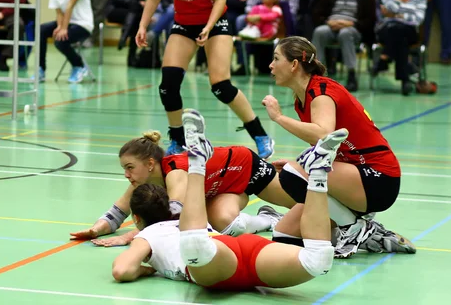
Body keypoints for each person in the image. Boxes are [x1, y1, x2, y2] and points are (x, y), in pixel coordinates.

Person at [112, 108, 339, 290]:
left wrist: (147, 267)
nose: (127, 174)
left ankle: (197, 161)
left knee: (196, 248)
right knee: (317, 261)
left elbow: (121, 270)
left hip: (218, 261)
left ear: (137, 218)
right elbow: (126, 206)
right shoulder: (163, 210)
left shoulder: (149, 234)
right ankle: (318, 172)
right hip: (241, 250)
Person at [134, 0, 275, 160]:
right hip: (184, 24)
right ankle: (177, 140)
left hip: (215, 21)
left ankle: (260, 134)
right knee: (168, 84)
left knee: (220, 86)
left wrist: (208, 28)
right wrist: (143, 25)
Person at [261, 36, 416, 258]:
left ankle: (355, 227)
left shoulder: (321, 91)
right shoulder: (301, 98)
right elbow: (327, 147)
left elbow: (324, 134)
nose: (271, 65)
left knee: (292, 175)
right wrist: (299, 165)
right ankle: (373, 236)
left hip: (377, 178)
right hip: (353, 176)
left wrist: (278, 118)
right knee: (285, 236)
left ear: (294, 65)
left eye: (276, 59)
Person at [69, 127, 295, 247]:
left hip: (244, 167)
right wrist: (95, 230)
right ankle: (271, 219)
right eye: (124, 169)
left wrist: (128, 237)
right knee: (225, 224)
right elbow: (117, 212)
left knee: (300, 203)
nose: (126, 175)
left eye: (130, 167)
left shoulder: (175, 174)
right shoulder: (144, 180)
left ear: (150, 164)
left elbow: (174, 219)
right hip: (221, 188)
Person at [37, 0, 94, 84]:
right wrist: (59, 26)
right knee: (41, 30)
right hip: (66, 23)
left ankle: (79, 66)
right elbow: (59, 12)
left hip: (83, 25)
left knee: (60, 41)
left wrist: (63, 29)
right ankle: (40, 69)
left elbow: (70, 6)